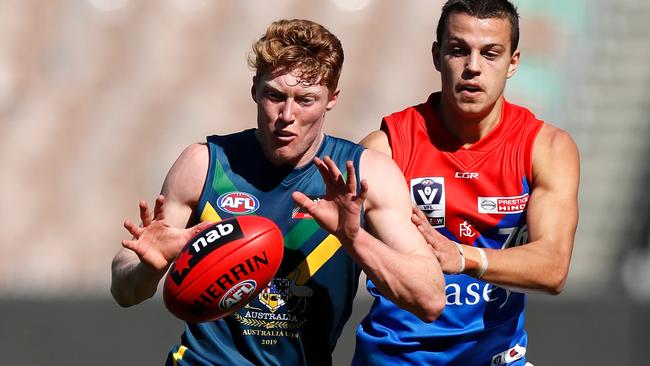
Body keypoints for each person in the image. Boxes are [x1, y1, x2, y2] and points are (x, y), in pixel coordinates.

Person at [110, 19, 444, 366]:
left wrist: (354, 237)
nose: (287, 115)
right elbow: (124, 291)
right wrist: (147, 266)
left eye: (306, 100)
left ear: (333, 98)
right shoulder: (205, 164)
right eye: (275, 95)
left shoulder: (366, 175)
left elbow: (430, 299)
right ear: (255, 89)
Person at [357, 0, 580, 365]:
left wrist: (461, 258)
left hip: (496, 357)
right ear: (436, 55)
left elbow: (553, 267)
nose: (473, 68)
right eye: (459, 51)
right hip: (394, 357)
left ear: (514, 62)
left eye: (490, 54)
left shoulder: (546, 148)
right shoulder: (387, 149)